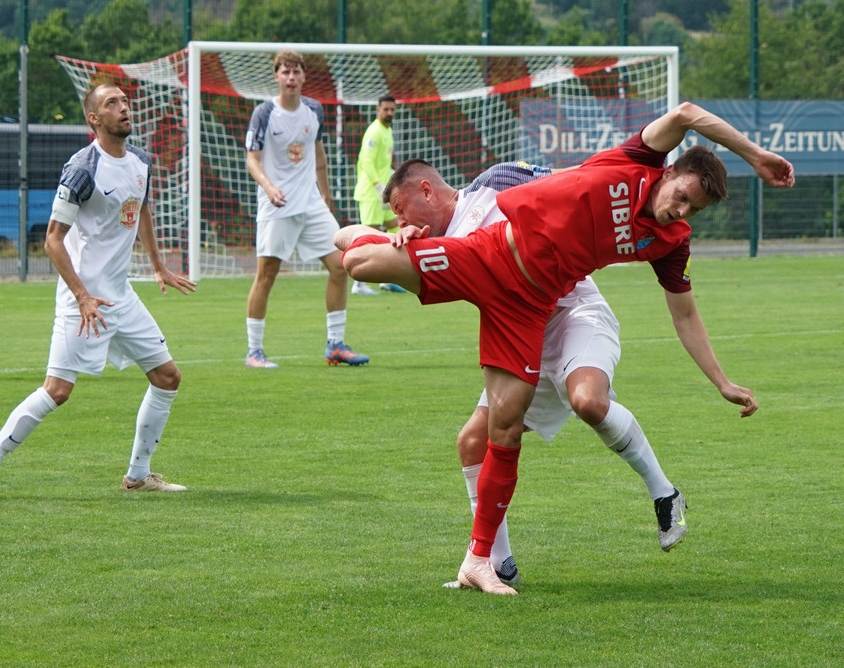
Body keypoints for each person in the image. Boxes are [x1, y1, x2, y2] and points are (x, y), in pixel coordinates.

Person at [335, 101, 795, 594]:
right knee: (472, 429)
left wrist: (722, 382)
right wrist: (388, 235)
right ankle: (493, 561)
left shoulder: (663, 228)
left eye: (691, 208)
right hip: (505, 286)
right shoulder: (628, 163)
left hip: (558, 310)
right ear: (671, 172)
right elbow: (682, 114)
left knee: (561, 410)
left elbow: (684, 312)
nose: (681, 210)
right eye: (682, 196)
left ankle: (649, 499)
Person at [383, 160, 690, 589]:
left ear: (427, 191)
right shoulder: (440, 242)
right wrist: (398, 238)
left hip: (574, 314)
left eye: (402, 209)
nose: (400, 220)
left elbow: (573, 180)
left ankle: (664, 493)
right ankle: (497, 563)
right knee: (473, 442)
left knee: (589, 402)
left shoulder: (495, 181)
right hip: (526, 336)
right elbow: (377, 256)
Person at [0, 83, 196, 503]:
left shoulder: (141, 161)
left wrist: (158, 266)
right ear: (94, 119)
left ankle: (138, 475)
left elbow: (140, 209)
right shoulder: (82, 169)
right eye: (112, 104)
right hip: (82, 299)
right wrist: (83, 296)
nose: (123, 108)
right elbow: (53, 240)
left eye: (124, 101)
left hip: (120, 296)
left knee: (167, 377)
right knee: (57, 391)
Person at [243, 50, 369, 369]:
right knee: (266, 276)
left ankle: (335, 345)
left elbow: (319, 155)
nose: (291, 77)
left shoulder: (314, 110)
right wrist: (269, 187)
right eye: (285, 72)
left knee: (342, 265)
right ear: (276, 76)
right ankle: (253, 351)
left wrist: (325, 195)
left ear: (303, 76)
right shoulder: (264, 114)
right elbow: (252, 160)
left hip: (311, 204)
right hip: (278, 206)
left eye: (296, 72)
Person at [351, 95, 404, 296]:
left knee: (396, 227)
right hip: (371, 192)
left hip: (384, 192)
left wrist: (391, 178)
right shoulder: (374, 132)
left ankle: (387, 279)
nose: (389, 113)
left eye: (392, 109)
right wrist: (378, 185)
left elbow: (382, 163)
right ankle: (359, 283)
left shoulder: (387, 130)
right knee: (369, 237)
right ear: (378, 110)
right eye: (386, 109)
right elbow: (367, 162)